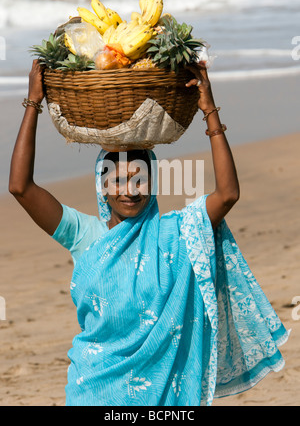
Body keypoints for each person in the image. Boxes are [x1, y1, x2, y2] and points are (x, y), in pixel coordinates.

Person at [9, 59, 288, 406]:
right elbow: (21, 188)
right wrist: (33, 102)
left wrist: (209, 111)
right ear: (102, 185)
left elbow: (228, 194)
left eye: (139, 178)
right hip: (94, 389)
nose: (129, 189)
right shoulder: (85, 235)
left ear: (153, 182)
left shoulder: (178, 233)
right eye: (119, 180)